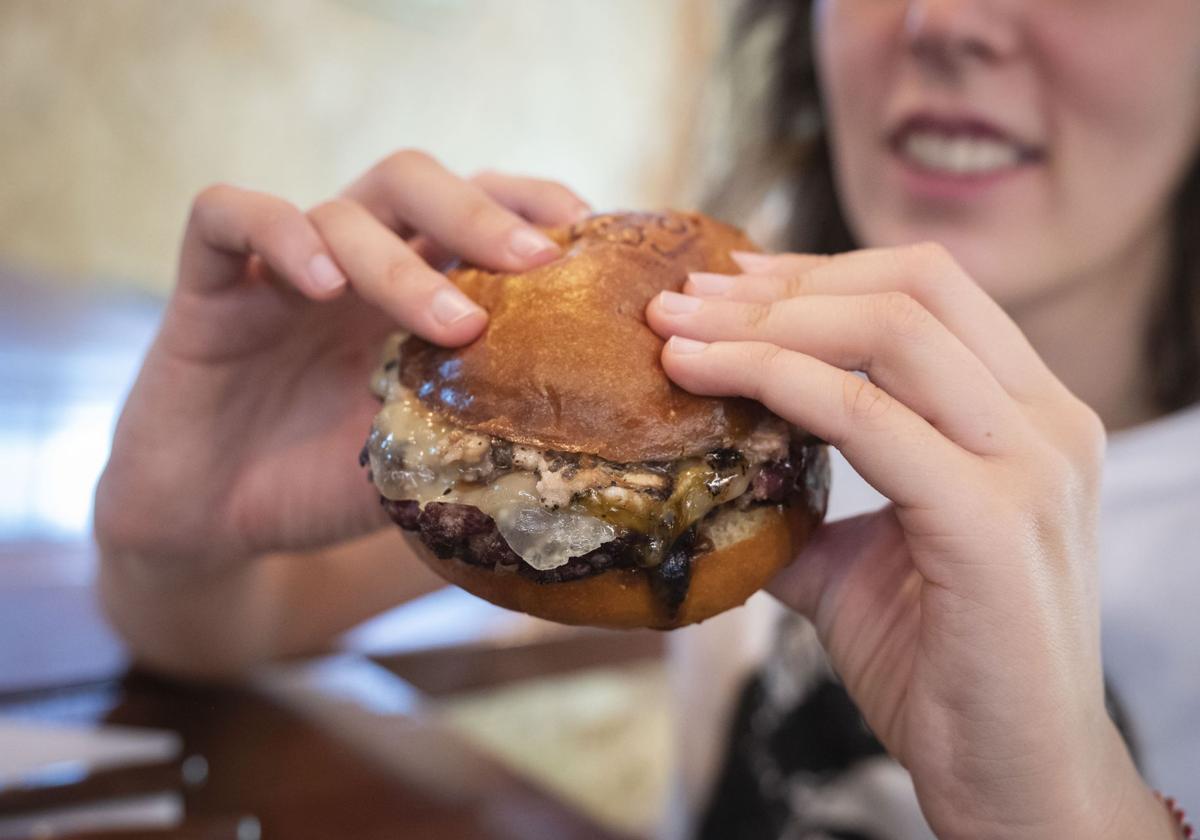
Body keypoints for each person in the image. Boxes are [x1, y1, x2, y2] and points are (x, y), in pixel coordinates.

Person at [94, 1, 1200, 837]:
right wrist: (175, 535)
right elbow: (213, 630)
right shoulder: (716, 366)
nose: (942, 21)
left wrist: (1065, 815)